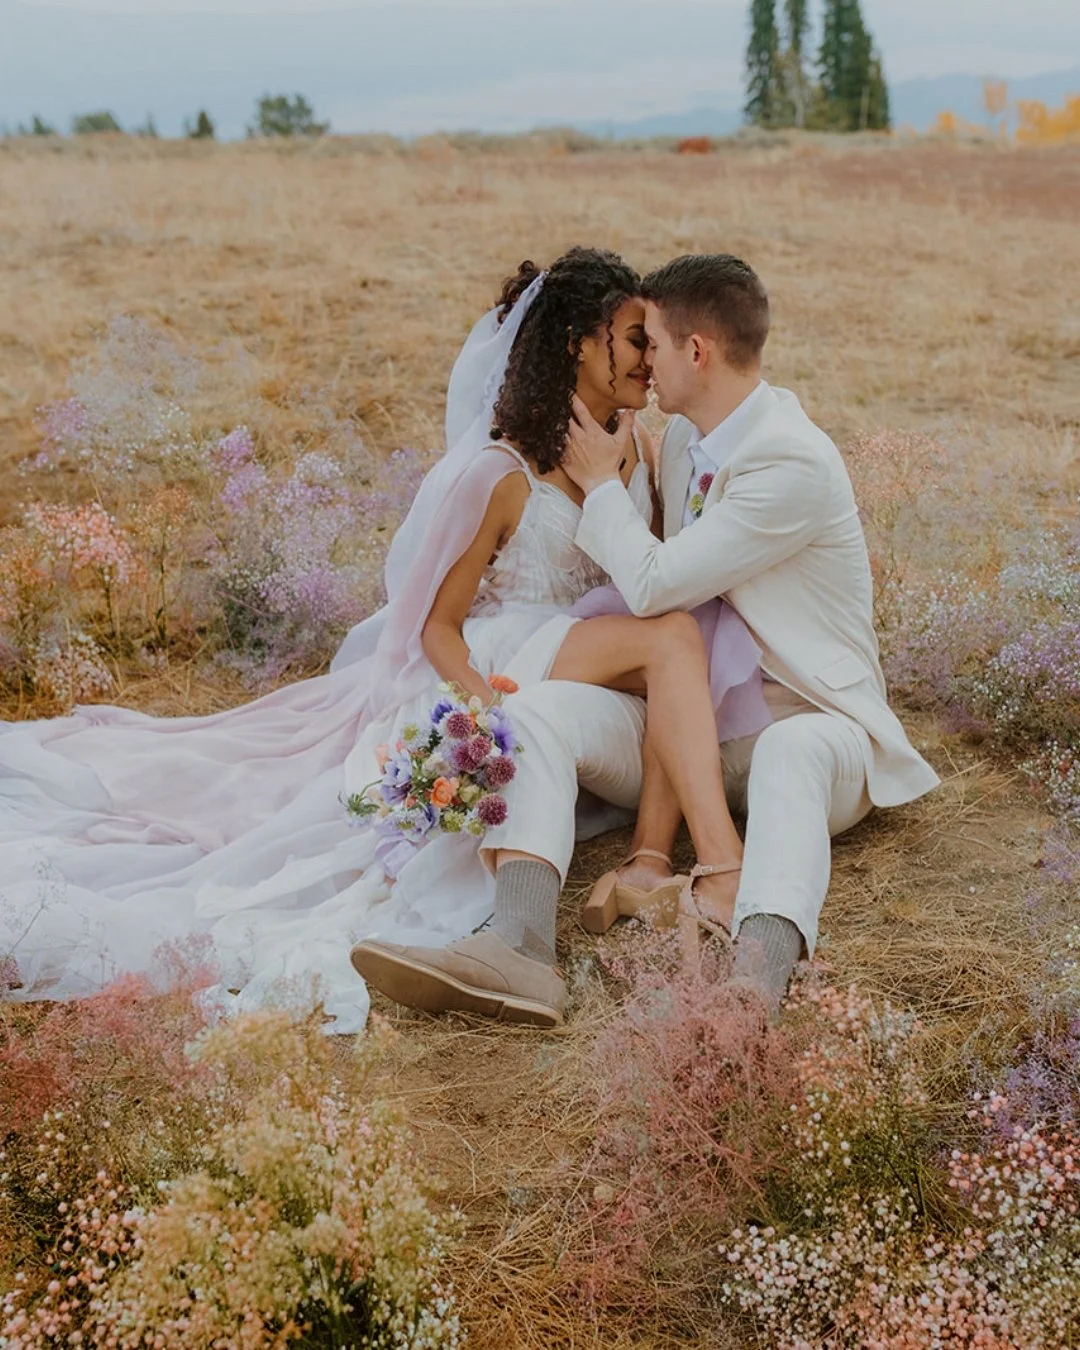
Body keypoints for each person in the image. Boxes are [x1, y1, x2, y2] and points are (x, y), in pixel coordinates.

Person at [0, 248, 763, 1033]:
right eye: (636, 339)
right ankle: (708, 862)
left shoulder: (636, 450)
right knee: (671, 638)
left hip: (592, 650)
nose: (650, 357)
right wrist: (476, 704)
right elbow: (433, 624)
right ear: (576, 342)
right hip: (514, 655)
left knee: (679, 639)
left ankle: (650, 860)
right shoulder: (501, 474)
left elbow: (653, 573)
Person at [559, 253, 942, 1005]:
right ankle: (544, 892)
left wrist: (601, 483)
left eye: (657, 345)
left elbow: (654, 582)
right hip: (707, 729)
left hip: (816, 727)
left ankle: (753, 984)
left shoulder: (790, 460)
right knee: (561, 711)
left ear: (696, 352)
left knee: (790, 752)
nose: (648, 364)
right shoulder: (678, 442)